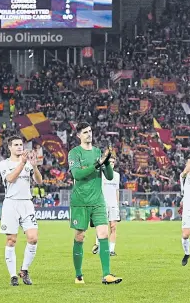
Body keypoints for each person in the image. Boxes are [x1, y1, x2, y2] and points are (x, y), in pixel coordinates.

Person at [68, 122, 122, 285]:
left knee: (104, 234)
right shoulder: (74, 153)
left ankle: (106, 275)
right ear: (79, 135)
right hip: (80, 201)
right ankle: (78, 274)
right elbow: (77, 174)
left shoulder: (98, 152)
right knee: (80, 236)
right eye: (85, 132)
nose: (89, 134)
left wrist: (106, 162)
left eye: (90, 130)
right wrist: (97, 163)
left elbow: (110, 176)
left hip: (98, 200)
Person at [0, 135, 42, 286]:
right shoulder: (4, 164)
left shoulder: (28, 164)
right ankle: (12, 276)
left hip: (26, 204)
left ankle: (24, 270)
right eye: (16, 145)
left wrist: (34, 166)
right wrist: (22, 164)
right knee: (11, 240)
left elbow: (39, 181)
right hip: (11, 204)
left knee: (33, 238)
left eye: (21, 145)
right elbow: (10, 179)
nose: (19, 147)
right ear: (9, 147)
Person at [92, 156, 120, 256]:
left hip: (113, 206)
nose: (112, 163)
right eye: (110, 162)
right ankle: (98, 245)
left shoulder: (117, 175)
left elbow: (117, 191)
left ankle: (111, 250)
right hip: (101, 205)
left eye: (113, 162)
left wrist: (117, 205)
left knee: (113, 227)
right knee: (101, 228)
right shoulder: (101, 175)